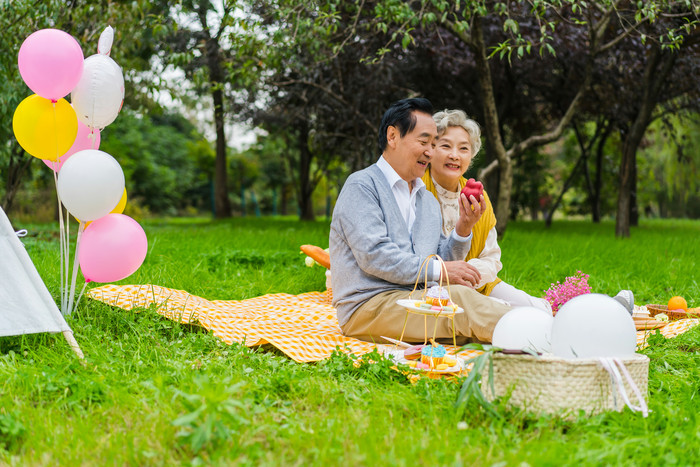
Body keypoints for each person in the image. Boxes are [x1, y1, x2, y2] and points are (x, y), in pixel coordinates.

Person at [329, 98, 512, 345]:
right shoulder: (362, 186)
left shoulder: (425, 200)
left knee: (471, 324)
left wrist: (463, 227)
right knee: (461, 301)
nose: (430, 151)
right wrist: (441, 271)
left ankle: (529, 337)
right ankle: (538, 335)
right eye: (424, 142)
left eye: (434, 144)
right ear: (392, 137)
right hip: (368, 308)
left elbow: (441, 259)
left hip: (417, 299)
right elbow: (375, 255)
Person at [421, 109, 552, 312]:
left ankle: (586, 311)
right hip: (430, 288)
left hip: (478, 283)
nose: (454, 155)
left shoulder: (478, 196)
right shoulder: (416, 189)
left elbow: (491, 258)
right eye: (445, 146)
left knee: (535, 308)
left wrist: (467, 275)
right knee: (502, 313)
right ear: (430, 149)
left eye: (463, 149)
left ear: (471, 156)